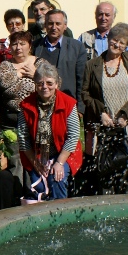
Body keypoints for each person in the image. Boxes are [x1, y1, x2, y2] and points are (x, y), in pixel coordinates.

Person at [81, 23, 128, 194]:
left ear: (127, 46)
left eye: (122, 43)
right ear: (109, 38)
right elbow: (85, 94)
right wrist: (101, 112)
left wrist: (126, 116)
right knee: (104, 174)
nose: (117, 45)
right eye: (115, 40)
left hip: (127, 127)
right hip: (103, 127)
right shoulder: (92, 65)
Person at [18, 64, 83, 200]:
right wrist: (35, 163)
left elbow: (73, 136)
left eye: (49, 83)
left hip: (64, 153)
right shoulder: (26, 105)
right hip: (37, 155)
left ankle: (61, 215)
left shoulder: (68, 103)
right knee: (40, 186)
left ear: (57, 84)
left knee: (57, 178)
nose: (45, 87)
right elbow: (23, 137)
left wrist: (59, 163)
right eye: (40, 83)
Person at [0, 31, 45, 131]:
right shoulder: (5, 65)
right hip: (10, 118)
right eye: (14, 44)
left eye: (22, 44)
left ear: (30, 46)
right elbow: (1, 83)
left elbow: (53, 84)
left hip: (34, 116)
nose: (18, 47)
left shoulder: (40, 63)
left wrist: (35, 75)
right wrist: (20, 72)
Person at [33, 10, 86, 100]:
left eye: (58, 24)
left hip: (68, 102)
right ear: (45, 25)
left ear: (65, 26)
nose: (54, 27)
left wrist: (80, 108)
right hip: (41, 102)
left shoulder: (77, 47)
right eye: (50, 23)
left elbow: (82, 79)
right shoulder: (35, 46)